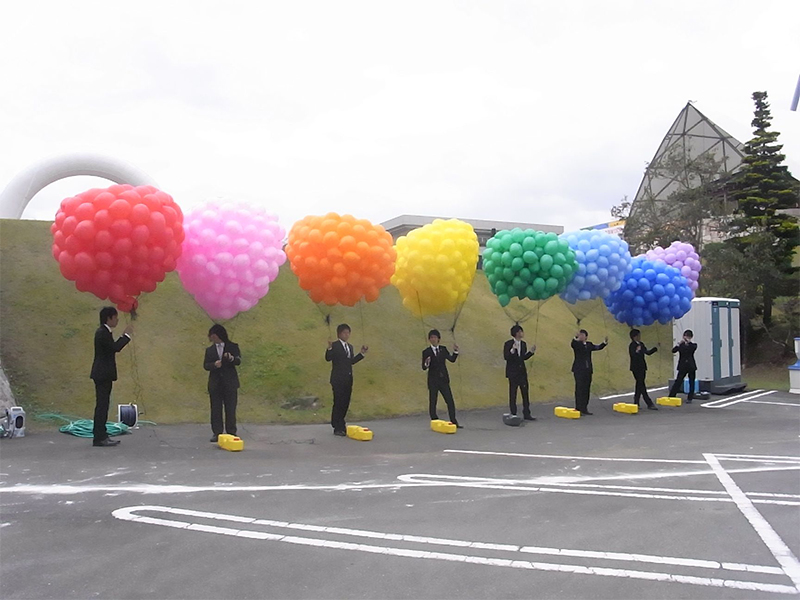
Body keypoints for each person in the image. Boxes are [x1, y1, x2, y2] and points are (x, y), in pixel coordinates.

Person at [90, 306, 133, 447]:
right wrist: (126, 336)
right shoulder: (102, 333)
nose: (117, 320)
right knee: (102, 406)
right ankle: (99, 437)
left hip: (103, 374)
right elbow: (114, 348)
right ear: (109, 318)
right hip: (102, 374)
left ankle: (102, 434)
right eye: (115, 317)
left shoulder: (104, 332)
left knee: (103, 405)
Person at [325, 323, 368, 436]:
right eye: (345, 333)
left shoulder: (350, 347)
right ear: (339, 334)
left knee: (345, 402)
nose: (347, 335)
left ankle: (341, 424)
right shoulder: (334, 345)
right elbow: (328, 358)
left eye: (348, 333)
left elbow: (351, 361)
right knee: (338, 402)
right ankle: (337, 425)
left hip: (348, 379)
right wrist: (329, 348)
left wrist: (361, 353)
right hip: (338, 379)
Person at [203, 324, 241, 442]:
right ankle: (217, 432)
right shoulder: (210, 350)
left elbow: (238, 360)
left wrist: (231, 358)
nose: (211, 338)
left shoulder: (232, 346)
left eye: (213, 336)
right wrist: (214, 365)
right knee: (216, 409)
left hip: (230, 383)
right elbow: (205, 365)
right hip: (215, 384)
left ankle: (231, 432)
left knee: (230, 408)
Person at [422, 329, 461, 427]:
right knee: (433, 401)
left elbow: (451, 359)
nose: (433, 339)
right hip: (433, 380)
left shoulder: (443, 349)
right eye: (431, 338)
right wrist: (427, 363)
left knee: (450, 401)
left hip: (443, 379)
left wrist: (455, 352)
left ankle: (454, 421)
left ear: (438, 339)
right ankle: (434, 420)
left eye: (435, 337)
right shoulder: (426, 351)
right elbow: (423, 367)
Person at [571, 329, 608, 415]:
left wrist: (604, 343)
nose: (581, 336)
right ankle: (578, 407)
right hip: (579, 370)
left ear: (586, 337)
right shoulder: (577, 344)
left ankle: (584, 408)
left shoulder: (589, 344)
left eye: (582, 335)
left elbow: (597, 347)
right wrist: (575, 337)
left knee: (586, 389)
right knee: (579, 388)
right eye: (580, 335)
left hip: (588, 370)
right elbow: (573, 344)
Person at [503, 324, 536, 420]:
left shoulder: (523, 344)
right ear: (517, 333)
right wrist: (512, 350)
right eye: (521, 332)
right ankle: (513, 412)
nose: (522, 333)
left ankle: (527, 413)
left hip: (522, 372)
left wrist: (531, 352)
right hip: (513, 373)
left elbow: (523, 358)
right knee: (513, 393)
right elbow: (506, 357)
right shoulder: (508, 344)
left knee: (525, 393)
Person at [629, 329, 658, 410]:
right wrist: (637, 351)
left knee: (639, 384)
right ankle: (649, 403)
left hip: (642, 367)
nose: (639, 337)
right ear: (634, 337)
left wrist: (655, 349)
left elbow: (647, 352)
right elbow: (633, 356)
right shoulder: (632, 345)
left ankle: (636, 402)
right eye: (638, 335)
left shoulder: (641, 344)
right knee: (641, 384)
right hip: (635, 367)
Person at [668, 329, 698, 403]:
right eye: (685, 336)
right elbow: (673, 350)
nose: (686, 338)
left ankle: (690, 397)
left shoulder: (693, 345)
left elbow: (692, 349)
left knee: (692, 382)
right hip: (682, 365)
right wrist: (678, 344)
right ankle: (672, 395)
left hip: (691, 365)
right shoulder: (681, 345)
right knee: (678, 380)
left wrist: (688, 342)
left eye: (688, 336)